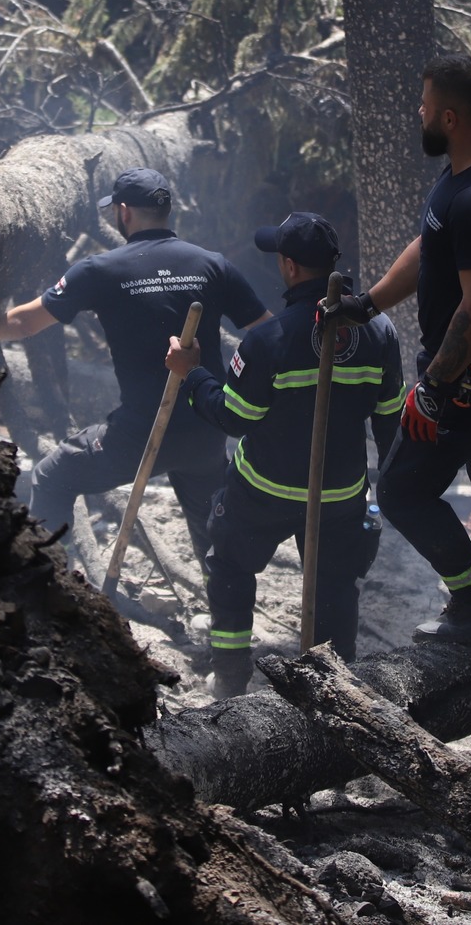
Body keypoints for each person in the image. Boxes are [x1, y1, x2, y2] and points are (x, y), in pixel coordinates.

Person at [0, 168, 268, 555]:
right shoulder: (212, 264)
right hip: (206, 431)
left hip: (139, 436)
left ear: (124, 212)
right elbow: (270, 333)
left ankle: (53, 583)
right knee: (209, 532)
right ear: (166, 211)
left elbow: (23, 322)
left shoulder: (101, 269)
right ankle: (222, 605)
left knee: (52, 477)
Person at [335, 53, 471, 641]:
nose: (419, 113)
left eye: (425, 106)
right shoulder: (464, 177)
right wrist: (367, 304)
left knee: (401, 489)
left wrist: (432, 389)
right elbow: (427, 248)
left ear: (450, 117)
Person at [164, 211, 402, 697]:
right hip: (340, 494)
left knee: (230, 567)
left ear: (289, 267)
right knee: (335, 585)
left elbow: (235, 417)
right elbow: (390, 419)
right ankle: (335, 683)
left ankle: (231, 673)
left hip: (262, 491)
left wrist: (193, 374)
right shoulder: (380, 333)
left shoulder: (270, 338)